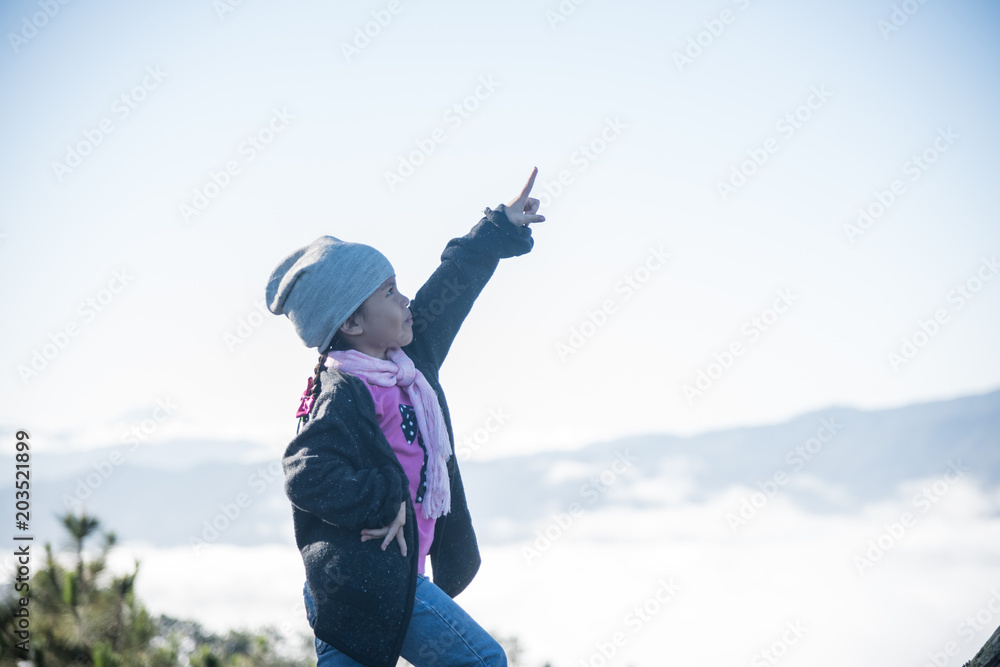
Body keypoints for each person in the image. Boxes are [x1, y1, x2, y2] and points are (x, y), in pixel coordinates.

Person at [264, 168, 545, 666]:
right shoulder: (342, 392)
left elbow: (452, 285)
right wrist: (384, 499)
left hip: (372, 584)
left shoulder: (411, 362)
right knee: (483, 661)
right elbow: (305, 473)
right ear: (352, 322)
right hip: (367, 582)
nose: (406, 299)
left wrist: (500, 226)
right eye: (390, 292)